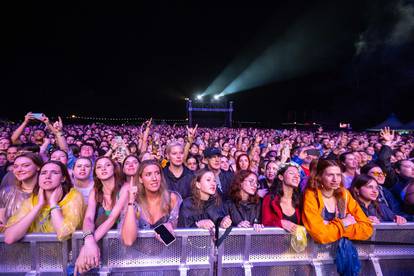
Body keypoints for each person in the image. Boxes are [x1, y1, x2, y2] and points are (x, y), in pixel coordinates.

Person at [4, 161, 84, 243]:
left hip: (62, 254)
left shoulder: (73, 196)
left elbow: (63, 233)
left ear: (63, 178)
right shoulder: (31, 201)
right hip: (32, 254)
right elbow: (9, 238)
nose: (48, 176)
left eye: (54, 173)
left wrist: (53, 203)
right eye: (43, 173)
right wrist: (39, 205)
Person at [74, 157, 128, 274]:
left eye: (107, 165)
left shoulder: (125, 188)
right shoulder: (95, 191)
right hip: (99, 250)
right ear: (96, 174)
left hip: (123, 251)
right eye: (99, 167)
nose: (103, 168)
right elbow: (88, 218)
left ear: (114, 169)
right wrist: (88, 240)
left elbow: (112, 219)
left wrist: (85, 247)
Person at [302, 159, 373, 244]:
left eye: (338, 175)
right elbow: (320, 235)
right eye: (330, 175)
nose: (335, 179)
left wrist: (330, 227)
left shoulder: (344, 194)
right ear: (319, 176)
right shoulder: (311, 195)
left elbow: (367, 229)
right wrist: (344, 223)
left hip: (343, 251)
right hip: (316, 253)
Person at [121, 160, 182, 246]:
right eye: (148, 174)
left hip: (168, 255)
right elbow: (128, 241)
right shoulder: (134, 202)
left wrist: (171, 224)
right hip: (139, 256)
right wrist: (131, 202)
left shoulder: (171, 198)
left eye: (157, 173)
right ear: (141, 179)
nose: (154, 178)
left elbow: (173, 238)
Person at [0, 153, 43, 228]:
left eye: (25, 165)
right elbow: (2, 223)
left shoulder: (48, 192)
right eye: (16, 167)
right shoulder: (5, 192)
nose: (19, 170)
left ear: (38, 167)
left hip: (43, 238)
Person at [262, 164, 302, 232]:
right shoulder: (270, 199)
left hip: (295, 242)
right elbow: (265, 224)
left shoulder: (300, 200)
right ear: (281, 177)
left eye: (298, 175)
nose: (296, 176)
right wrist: (281, 223)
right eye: (291, 173)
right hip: (275, 242)